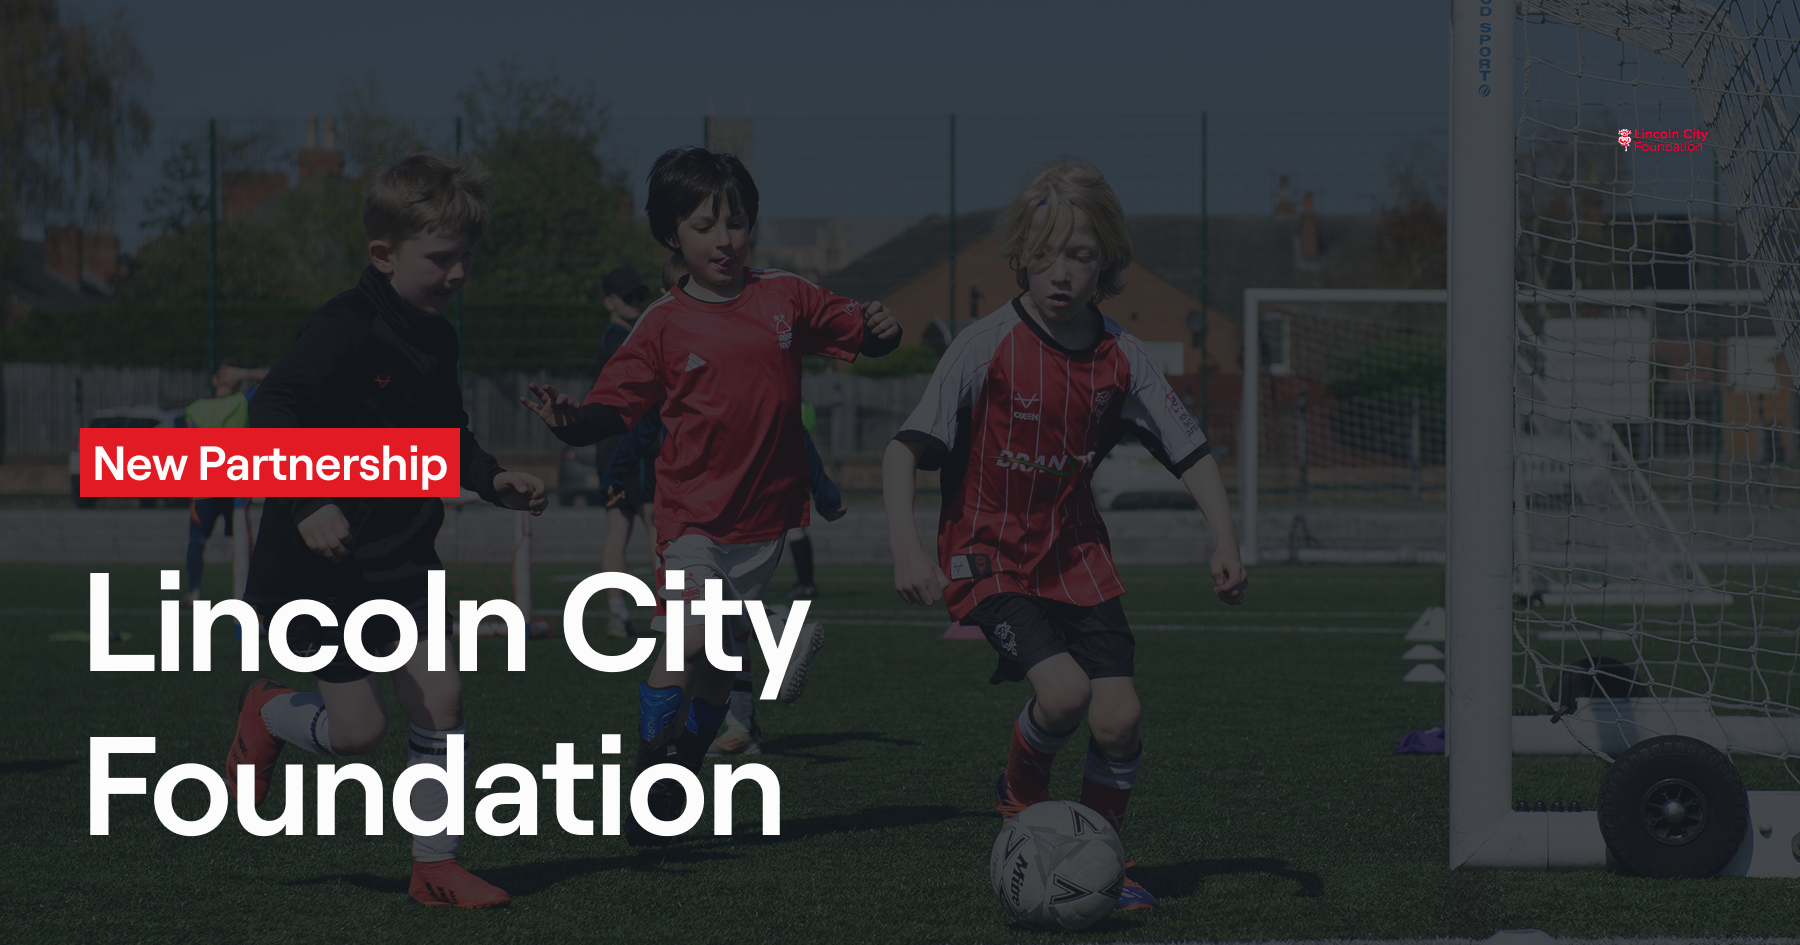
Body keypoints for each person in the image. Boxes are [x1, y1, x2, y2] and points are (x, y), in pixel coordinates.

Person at [882, 161, 1248, 912]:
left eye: (1080, 255)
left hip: (1077, 556)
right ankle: (1020, 805)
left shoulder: (1123, 356)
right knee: (1065, 693)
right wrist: (907, 546)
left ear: (1105, 262)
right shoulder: (984, 344)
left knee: (1118, 717)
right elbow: (902, 450)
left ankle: (1104, 857)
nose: (1061, 272)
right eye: (1045, 254)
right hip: (987, 555)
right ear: (1020, 256)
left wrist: (1226, 539)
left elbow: (1190, 450)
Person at [520, 145, 900, 844]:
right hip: (691, 517)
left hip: (764, 522)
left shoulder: (786, 295)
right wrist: (573, 422)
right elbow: (613, 407)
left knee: (721, 667)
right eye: (703, 226)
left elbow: (864, 334)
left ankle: (682, 776)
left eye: (736, 222)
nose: (724, 239)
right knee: (688, 638)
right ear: (671, 235)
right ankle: (648, 773)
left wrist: (885, 328)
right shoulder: (662, 323)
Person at [224, 152, 547, 909]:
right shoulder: (343, 327)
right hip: (321, 569)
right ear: (384, 254)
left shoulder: (438, 337)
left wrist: (491, 479)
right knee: (359, 732)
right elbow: (272, 409)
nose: (458, 272)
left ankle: (434, 866)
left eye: (466, 256)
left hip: (402, 557)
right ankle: (267, 711)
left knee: (442, 698)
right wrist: (308, 501)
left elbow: (449, 435)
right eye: (441, 258)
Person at [594, 265, 654, 639]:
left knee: (623, 528)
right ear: (609, 302)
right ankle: (667, 612)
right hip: (632, 448)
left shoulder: (621, 338)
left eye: (638, 295)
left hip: (618, 447)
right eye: (627, 296)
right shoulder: (621, 340)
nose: (635, 301)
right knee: (655, 527)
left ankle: (620, 614)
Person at [180, 359, 268, 608]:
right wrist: (246, 372)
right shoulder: (242, 401)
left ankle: (194, 592)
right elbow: (274, 377)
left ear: (214, 380)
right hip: (235, 485)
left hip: (205, 486)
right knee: (243, 540)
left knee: (198, 538)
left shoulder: (195, 409)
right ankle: (250, 593)